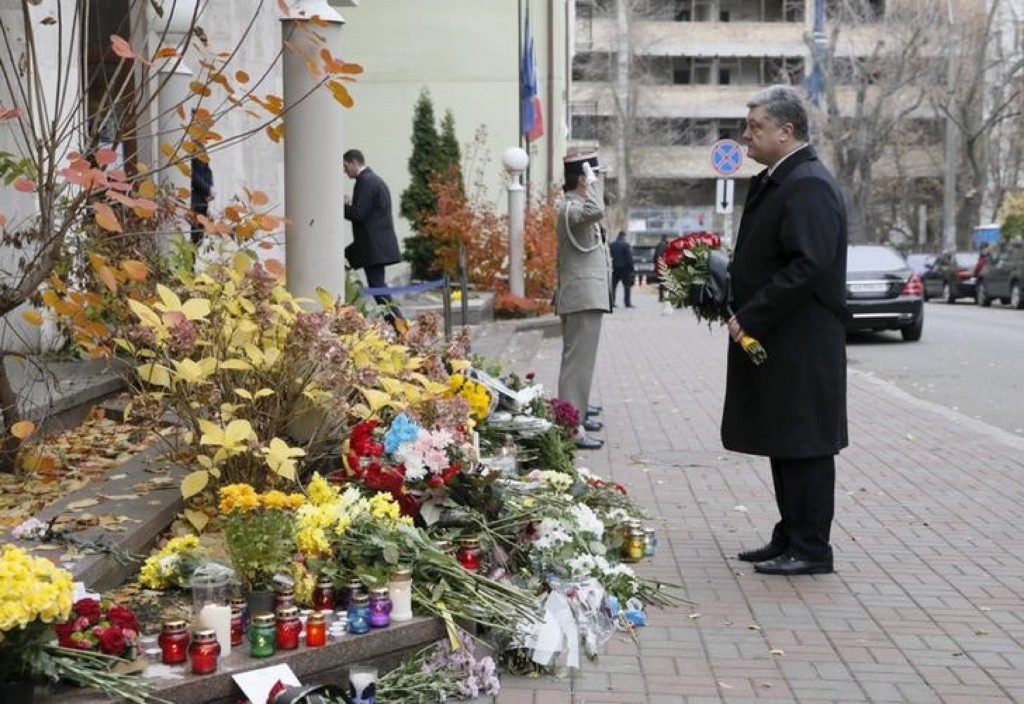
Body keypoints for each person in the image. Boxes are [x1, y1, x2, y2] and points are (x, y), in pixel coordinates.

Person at [724, 85, 849, 576]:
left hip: (803, 340)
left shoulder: (809, 184)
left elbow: (808, 266)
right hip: (783, 340)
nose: (746, 136)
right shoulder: (781, 179)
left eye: (755, 127)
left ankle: (812, 547)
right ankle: (790, 534)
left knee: (806, 445)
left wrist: (752, 314)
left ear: (786, 131)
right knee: (785, 439)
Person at [555, 152, 611, 449]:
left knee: (580, 364)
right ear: (582, 177)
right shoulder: (570, 208)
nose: (598, 180)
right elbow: (596, 210)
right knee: (577, 364)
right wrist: (594, 184)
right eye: (593, 175)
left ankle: (577, 413)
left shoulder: (575, 207)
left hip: (585, 296)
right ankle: (570, 427)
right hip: (581, 297)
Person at [343, 149, 406, 331]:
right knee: (375, 284)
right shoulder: (372, 180)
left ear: (354, 163)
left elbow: (358, 214)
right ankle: (396, 325)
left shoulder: (366, 181)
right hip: (373, 245)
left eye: (346, 166)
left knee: (376, 285)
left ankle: (398, 326)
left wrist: (341, 206)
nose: (345, 171)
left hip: (372, 246)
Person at [190, 147, 213, 247]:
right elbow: (193, 176)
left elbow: (208, 172)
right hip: (195, 203)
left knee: (198, 238)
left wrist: (210, 190)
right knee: (195, 236)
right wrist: (208, 189)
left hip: (203, 203)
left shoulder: (201, 149)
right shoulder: (192, 151)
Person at [609, 231, 635, 308]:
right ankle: (627, 302)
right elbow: (629, 258)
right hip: (625, 269)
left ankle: (612, 302)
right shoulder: (626, 245)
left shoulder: (612, 245)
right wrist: (631, 268)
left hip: (614, 269)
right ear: (624, 236)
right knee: (627, 287)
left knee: (613, 287)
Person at [652, 235, 669, 301]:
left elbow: (655, 255)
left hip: (659, 265)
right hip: (665, 265)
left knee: (661, 282)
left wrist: (654, 262)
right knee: (665, 281)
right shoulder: (666, 245)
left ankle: (661, 297)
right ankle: (665, 296)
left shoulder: (659, 245)